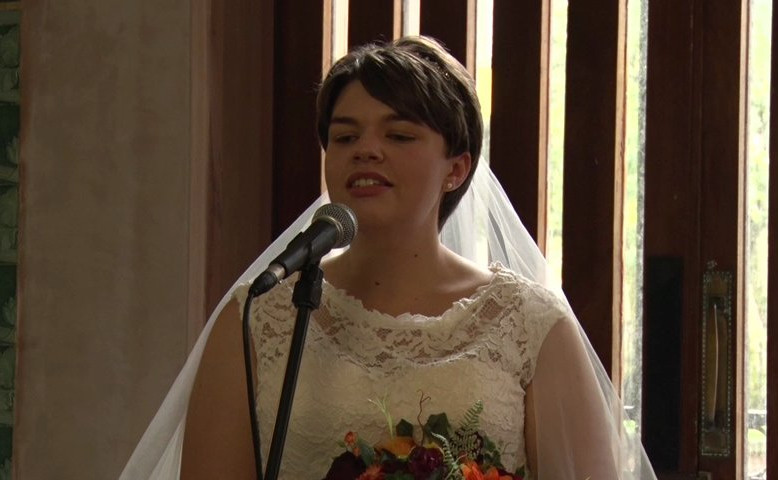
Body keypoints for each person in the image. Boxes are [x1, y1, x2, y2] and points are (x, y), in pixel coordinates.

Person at [121, 36, 656, 479]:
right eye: (345, 135)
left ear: (457, 168)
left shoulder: (531, 327)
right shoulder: (260, 317)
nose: (366, 149)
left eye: (399, 134)